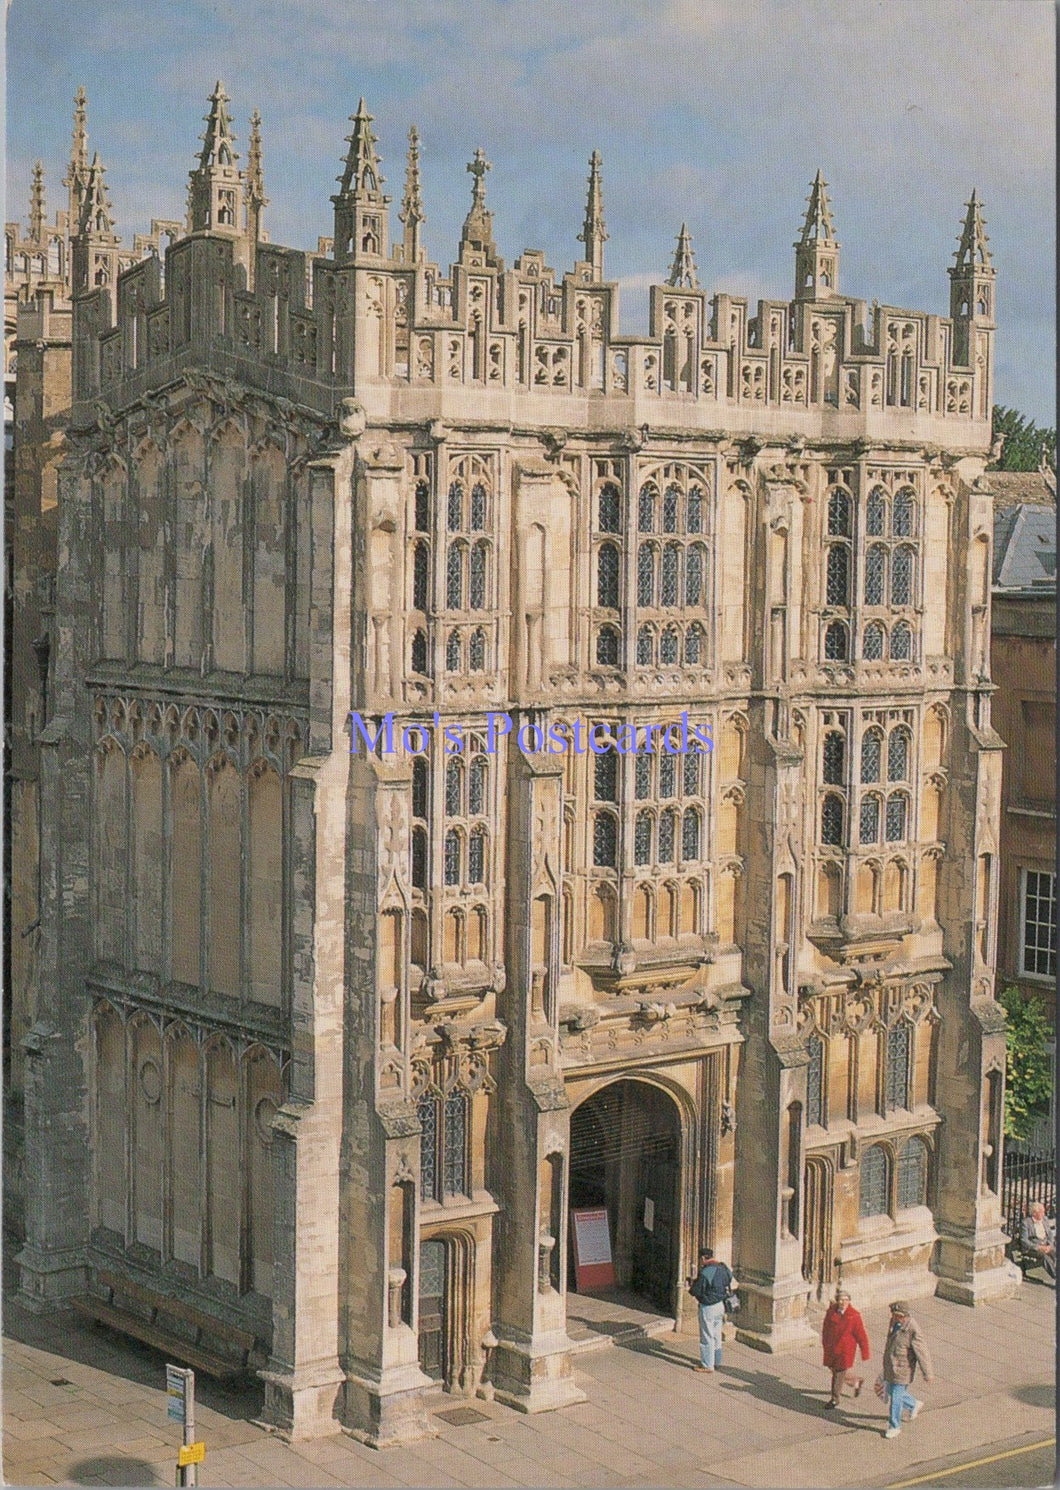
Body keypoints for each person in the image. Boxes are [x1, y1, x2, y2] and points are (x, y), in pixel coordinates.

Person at [881, 1301, 933, 1439]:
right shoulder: (894, 1324)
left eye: (898, 1316)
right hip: (891, 1367)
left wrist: (927, 1373)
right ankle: (913, 1404)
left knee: (896, 1398)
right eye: (894, 1315)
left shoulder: (913, 1329)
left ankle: (894, 1426)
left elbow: (922, 1352)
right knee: (892, 1392)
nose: (895, 1318)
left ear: (905, 1316)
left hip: (903, 1369)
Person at [820, 1288, 870, 1407]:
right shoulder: (831, 1311)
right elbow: (826, 1327)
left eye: (845, 1300)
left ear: (849, 1301)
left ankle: (834, 1398)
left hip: (844, 1351)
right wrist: (825, 1342)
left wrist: (865, 1352)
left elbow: (861, 1335)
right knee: (833, 1370)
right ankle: (855, 1381)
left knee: (838, 1374)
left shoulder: (854, 1316)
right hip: (832, 1348)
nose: (843, 1302)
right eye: (840, 1300)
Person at [688, 1244, 734, 1373]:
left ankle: (707, 1365)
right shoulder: (724, 1268)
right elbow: (728, 1280)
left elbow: (696, 1290)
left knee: (706, 1336)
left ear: (703, 1258)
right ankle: (717, 1360)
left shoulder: (706, 1272)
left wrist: (692, 1285)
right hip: (720, 1305)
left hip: (708, 1307)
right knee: (716, 1334)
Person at [1020, 1201, 1056, 1279]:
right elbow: (1024, 1241)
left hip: (1046, 1245)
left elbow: (1050, 1234)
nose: (1044, 1213)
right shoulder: (1026, 1223)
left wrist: (1050, 1245)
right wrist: (1039, 1247)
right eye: (1041, 1212)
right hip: (1033, 1248)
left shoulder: (1045, 1219)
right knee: (1044, 1257)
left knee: (1055, 1252)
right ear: (1034, 1213)